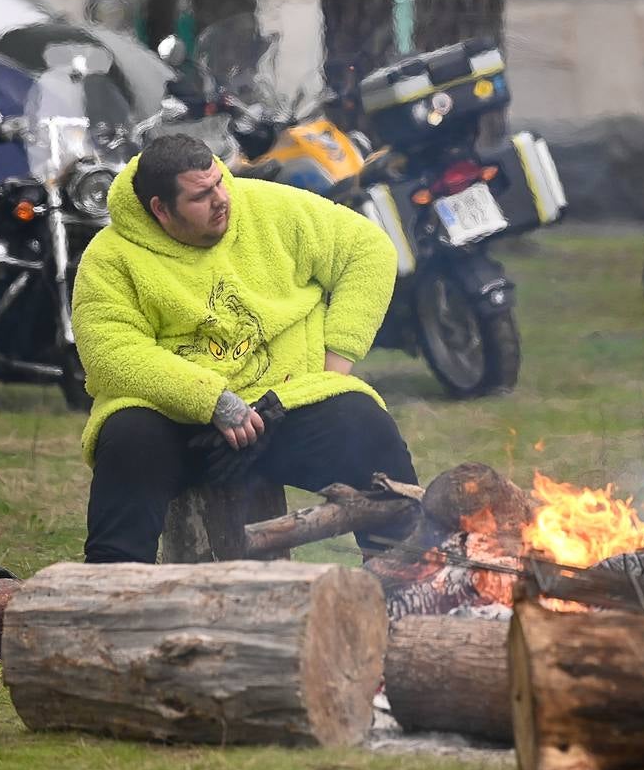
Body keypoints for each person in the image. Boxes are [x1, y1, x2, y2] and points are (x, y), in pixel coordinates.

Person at [72, 133, 418, 564]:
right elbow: (112, 353)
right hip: (181, 422)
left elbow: (369, 249)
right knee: (127, 438)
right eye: (201, 195)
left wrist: (334, 368)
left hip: (284, 406)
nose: (222, 200)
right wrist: (210, 400)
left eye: (219, 181)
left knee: (366, 428)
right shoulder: (110, 258)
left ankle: (407, 574)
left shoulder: (267, 207)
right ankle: (107, 589)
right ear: (160, 209)